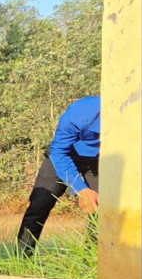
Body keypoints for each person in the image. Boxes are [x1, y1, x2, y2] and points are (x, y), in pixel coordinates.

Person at [16, 95, 100, 256]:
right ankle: (22, 257)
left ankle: (92, 261)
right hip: (64, 155)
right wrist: (80, 189)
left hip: (100, 161)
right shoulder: (80, 112)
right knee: (39, 205)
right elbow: (59, 152)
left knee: (102, 208)